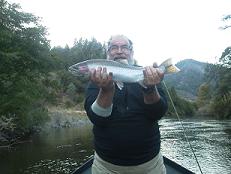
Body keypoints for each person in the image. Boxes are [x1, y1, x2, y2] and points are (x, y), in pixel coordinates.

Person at [84, 35, 168, 174]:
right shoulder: (96, 80)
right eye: (113, 48)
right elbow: (97, 119)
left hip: (150, 166)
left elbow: (158, 113)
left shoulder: (147, 75)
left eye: (124, 47)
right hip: (106, 167)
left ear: (132, 52)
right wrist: (106, 90)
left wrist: (150, 88)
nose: (119, 51)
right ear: (107, 54)